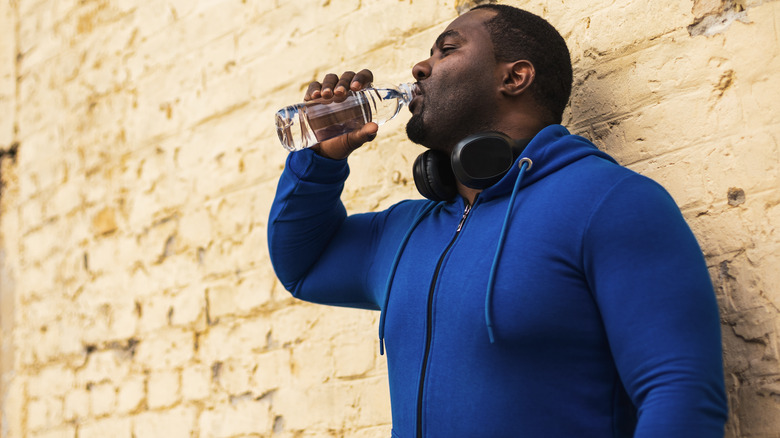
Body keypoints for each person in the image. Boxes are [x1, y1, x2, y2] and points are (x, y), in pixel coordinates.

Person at [268, 4, 728, 437]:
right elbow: (305, 265)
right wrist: (318, 162)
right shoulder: (404, 231)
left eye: (447, 50)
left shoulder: (610, 202)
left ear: (515, 77)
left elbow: (680, 393)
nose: (419, 69)